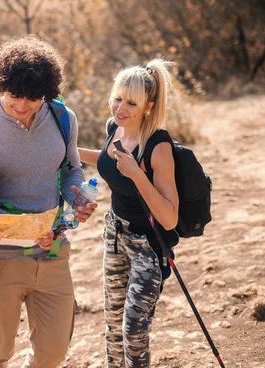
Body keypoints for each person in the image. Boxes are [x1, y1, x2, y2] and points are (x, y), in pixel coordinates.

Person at [0, 35, 97, 368]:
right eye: (15, 96)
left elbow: (72, 169)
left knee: (53, 353)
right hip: (1, 259)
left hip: (53, 252)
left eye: (33, 98)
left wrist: (78, 198)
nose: (21, 105)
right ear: (3, 84)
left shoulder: (63, 118)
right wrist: (27, 232)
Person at [78, 58, 180, 367]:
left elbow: (170, 217)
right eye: (117, 98)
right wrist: (69, 150)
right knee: (113, 324)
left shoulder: (158, 146)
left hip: (148, 248)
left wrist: (138, 174)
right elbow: (108, 161)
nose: (120, 108)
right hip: (115, 237)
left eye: (131, 102)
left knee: (133, 330)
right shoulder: (115, 128)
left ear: (148, 106)